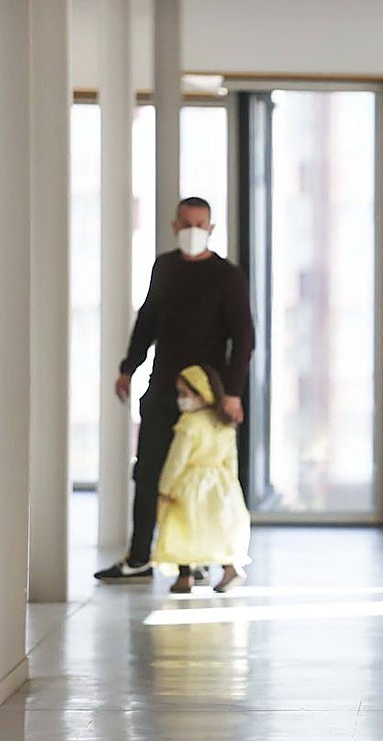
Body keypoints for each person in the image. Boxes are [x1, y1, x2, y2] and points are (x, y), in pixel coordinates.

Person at [95, 197, 254, 584]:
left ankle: (197, 559)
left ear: (212, 229)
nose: (192, 232)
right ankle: (139, 558)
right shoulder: (164, 268)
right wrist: (128, 368)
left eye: (200, 225)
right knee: (149, 473)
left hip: (206, 397)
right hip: (163, 387)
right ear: (173, 226)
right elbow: (148, 320)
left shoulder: (227, 276)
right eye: (186, 224)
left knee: (198, 478)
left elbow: (244, 337)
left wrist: (231, 393)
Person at [156, 365, 251, 594]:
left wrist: (165, 487)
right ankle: (229, 567)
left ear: (202, 393)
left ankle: (185, 576)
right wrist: (232, 486)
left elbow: (176, 459)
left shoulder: (189, 423)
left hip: (189, 485)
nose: (182, 400)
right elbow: (231, 461)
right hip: (220, 484)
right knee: (216, 528)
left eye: (185, 394)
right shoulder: (224, 423)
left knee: (183, 528)